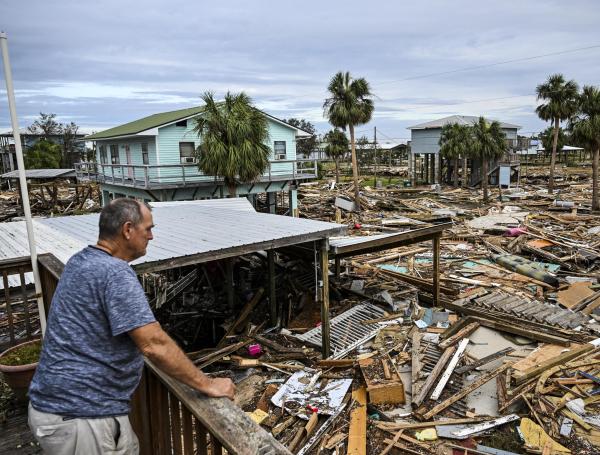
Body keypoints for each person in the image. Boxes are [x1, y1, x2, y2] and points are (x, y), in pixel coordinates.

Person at [28, 198, 235, 454]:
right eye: (148, 229)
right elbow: (153, 344)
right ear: (128, 230)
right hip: (81, 414)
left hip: (64, 408)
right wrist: (208, 384)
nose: (151, 236)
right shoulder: (114, 273)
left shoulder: (80, 261)